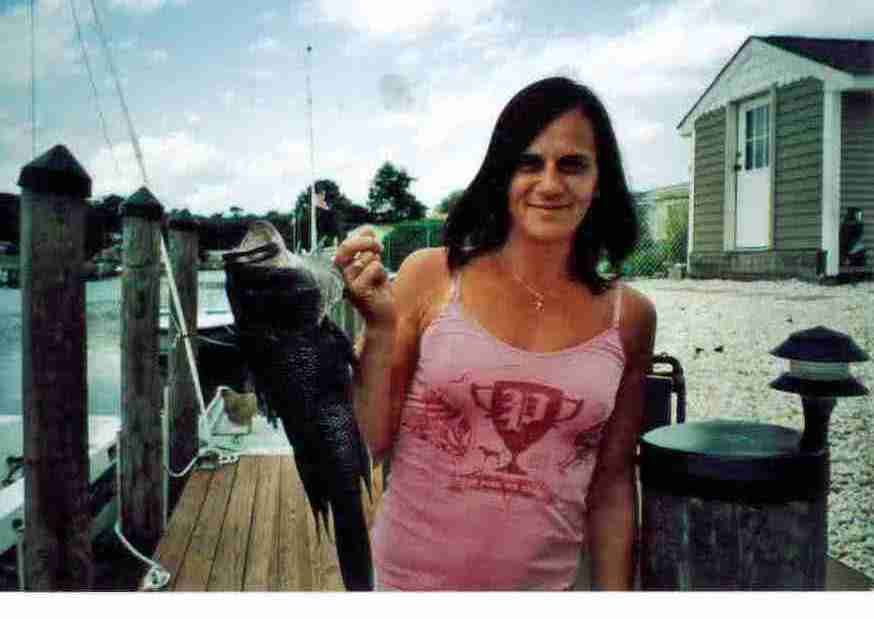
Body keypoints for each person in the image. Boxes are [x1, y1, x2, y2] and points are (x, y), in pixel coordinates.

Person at [333, 76, 656, 591]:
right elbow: (370, 441)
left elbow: (613, 484)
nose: (549, 184)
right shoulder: (430, 277)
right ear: (501, 174)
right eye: (529, 163)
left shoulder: (631, 318)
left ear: (601, 182)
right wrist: (378, 326)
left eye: (572, 164)